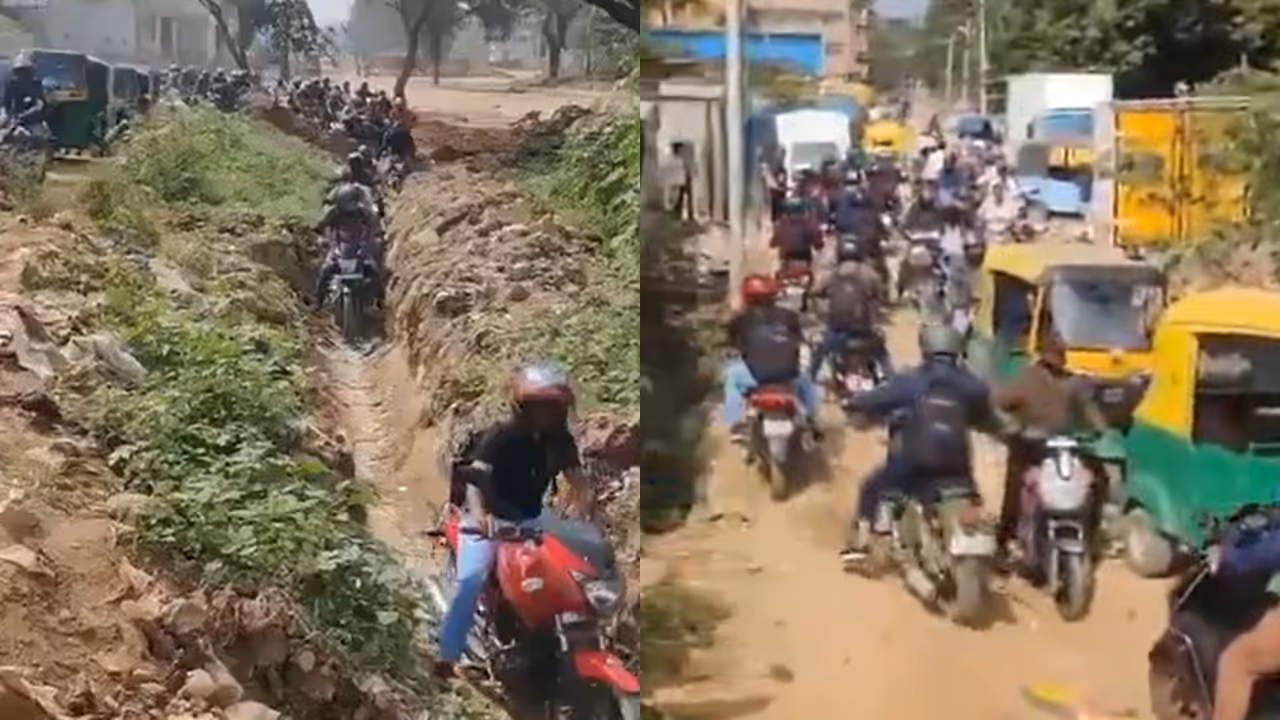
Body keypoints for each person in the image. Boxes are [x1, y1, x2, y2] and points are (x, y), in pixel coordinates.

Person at [435, 364, 594, 679]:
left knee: (573, 575)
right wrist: (482, 519)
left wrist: (583, 515)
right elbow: (475, 482)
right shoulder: (501, 437)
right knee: (471, 581)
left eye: (553, 407)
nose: (546, 415)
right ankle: (446, 656)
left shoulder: (561, 442)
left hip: (532, 519)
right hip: (489, 520)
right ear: (522, 408)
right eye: (540, 407)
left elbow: (579, 483)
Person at [840, 324, 992, 560]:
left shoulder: (913, 380)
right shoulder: (971, 384)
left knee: (871, 487)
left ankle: (860, 544)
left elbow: (878, 398)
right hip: (958, 466)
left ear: (926, 347)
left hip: (916, 460)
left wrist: (854, 403)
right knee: (973, 498)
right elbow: (985, 412)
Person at [990, 334, 1109, 564]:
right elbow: (1000, 402)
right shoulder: (1030, 379)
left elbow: (1090, 408)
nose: (1056, 365)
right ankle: (1005, 540)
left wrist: (1102, 432)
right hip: (1031, 445)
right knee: (1016, 488)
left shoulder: (1070, 381)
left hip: (1062, 447)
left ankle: (1090, 535)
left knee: (1097, 481)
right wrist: (1011, 426)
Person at [723, 274, 821, 441]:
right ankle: (812, 420)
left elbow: (733, 347)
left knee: (731, 376)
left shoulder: (739, 321)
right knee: (807, 381)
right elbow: (799, 340)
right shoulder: (789, 316)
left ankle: (735, 423)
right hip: (788, 375)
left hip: (756, 378)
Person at [810, 236, 891, 382]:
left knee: (819, 353)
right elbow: (881, 295)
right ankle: (891, 379)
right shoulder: (870, 274)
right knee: (882, 353)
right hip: (864, 330)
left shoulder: (833, 274)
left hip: (837, 330)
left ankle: (810, 379)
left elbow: (815, 291)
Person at [313, 181, 382, 308]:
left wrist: (367, 243)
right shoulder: (334, 213)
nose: (348, 206)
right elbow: (321, 224)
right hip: (339, 247)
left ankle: (379, 302)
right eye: (345, 202)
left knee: (374, 270)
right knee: (325, 271)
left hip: (359, 247)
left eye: (350, 202)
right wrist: (319, 232)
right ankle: (318, 301)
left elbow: (372, 226)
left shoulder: (363, 213)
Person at [770, 197, 824, 273]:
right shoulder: (808, 223)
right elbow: (818, 242)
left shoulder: (782, 225)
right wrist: (818, 245)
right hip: (804, 259)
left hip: (786, 260)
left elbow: (773, 244)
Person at [2, 52, 47, 133]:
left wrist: (27, 114)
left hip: (32, 122)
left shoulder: (36, 85)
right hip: (14, 120)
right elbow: (7, 105)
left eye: (25, 72)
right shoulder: (12, 85)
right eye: (20, 72)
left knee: (39, 135)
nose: (22, 75)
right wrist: (10, 117)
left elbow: (40, 104)